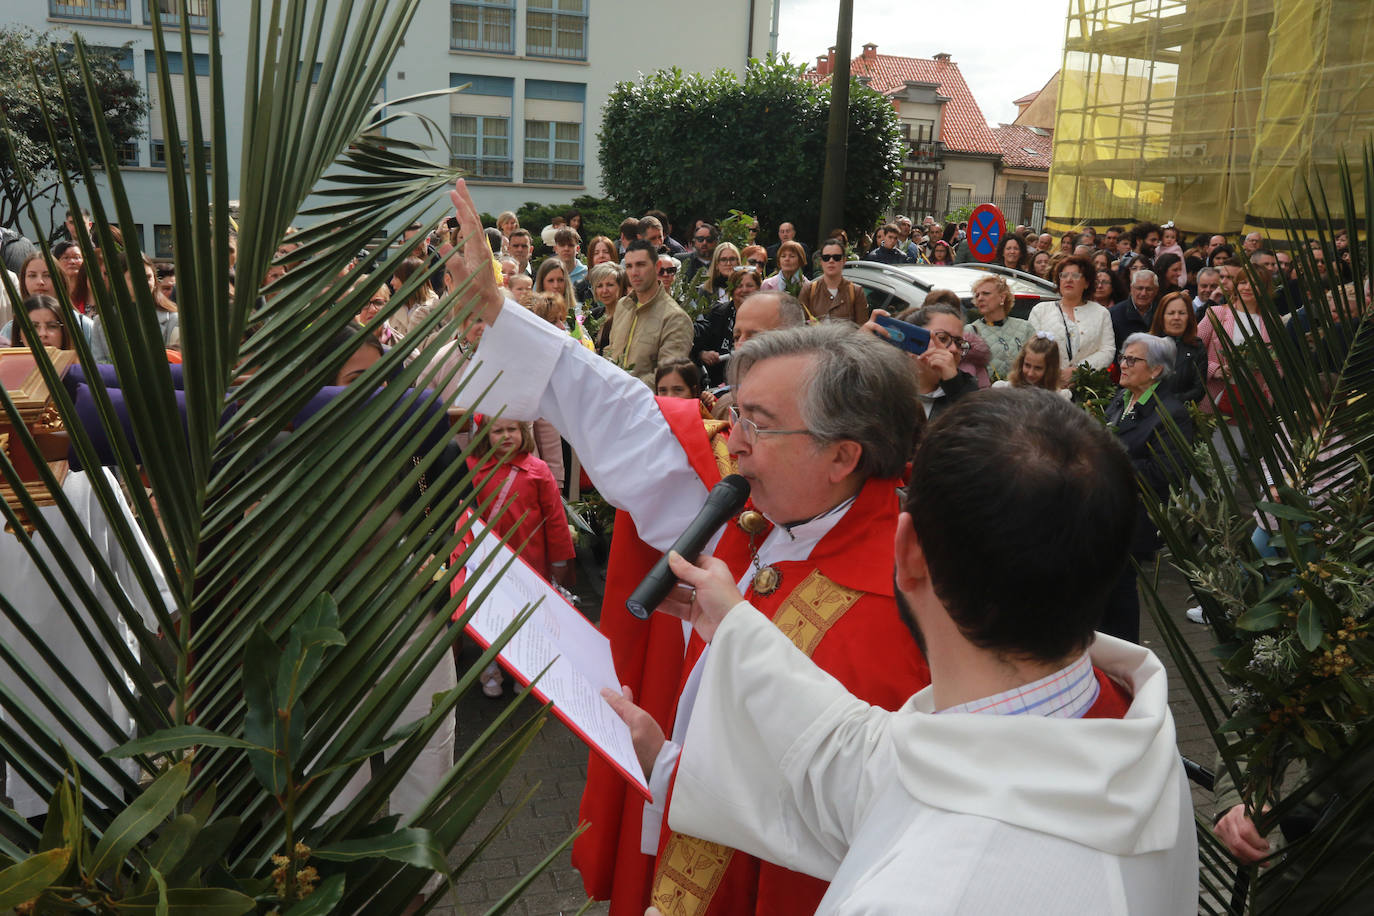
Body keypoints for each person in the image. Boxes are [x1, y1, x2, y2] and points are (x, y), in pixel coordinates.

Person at [442, 175, 929, 916]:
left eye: (759, 423)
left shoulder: (908, 598)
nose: (731, 439)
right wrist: (500, 310)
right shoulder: (762, 492)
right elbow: (622, 412)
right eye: (737, 412)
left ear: (844, 456)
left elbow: (849, 805)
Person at [644, 388, 1199, 915]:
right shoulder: (1125, 733)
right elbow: (863, 757)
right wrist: (736, 626)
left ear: (906, 549)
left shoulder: (921, 896)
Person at [1101, 333, 1194, 643]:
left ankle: (1125, 665)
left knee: (1119, 598)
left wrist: (1106, 463)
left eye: (1131, 360)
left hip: (1133, 520)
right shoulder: (1122, 398)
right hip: (1104, 513)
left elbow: (1166, 473)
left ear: (1155, 371)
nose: (1122, 365)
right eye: (1122, 358)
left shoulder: (1171, 413)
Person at [603, 239, 694, 387]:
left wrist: (624, 389)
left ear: (657, 267)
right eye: (629, 266)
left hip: (646, 404)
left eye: (641, 265)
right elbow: (611, 350)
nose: (634, 272)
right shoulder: (622, 305)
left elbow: (667, 377)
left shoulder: (676, 318)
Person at [1028, 255, 1115, 386]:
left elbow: (1107, 349)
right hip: (1046, 386)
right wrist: (1053, 373)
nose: (1068, 280)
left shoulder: (1101, 313)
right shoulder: (1040, 310)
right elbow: (1031, 348)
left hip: (1086, 389)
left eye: (1075, 276)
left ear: (1086, 283)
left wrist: (1077, 371)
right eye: (1063, 275)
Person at [693, 266, 759, 388]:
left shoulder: (767, 316)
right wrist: (703, 354)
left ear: (758, 289)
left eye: (750, 286)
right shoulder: (718, 313)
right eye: (739, 286)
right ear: (732, 289)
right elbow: (698, 344)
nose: (744, 290)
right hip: (719, 381)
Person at [967, 275, 1032, 379]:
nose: (980, 298)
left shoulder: (1025, 327)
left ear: (1002, 297)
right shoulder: (970, 331)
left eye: (986, 294)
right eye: (977, 295)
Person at [1149, 291, 1205, 403]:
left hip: (1181, 413)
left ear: (1189, 316)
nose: (1176, 317)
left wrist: (1171, 402)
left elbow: (1199, 390)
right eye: (1171, 313)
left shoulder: (1197, 346)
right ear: (1161, 317)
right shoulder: (1146, 344)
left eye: (1182, 313)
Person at [799, 238, 868, 323]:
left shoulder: (856, 292)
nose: (831, 261)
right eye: (826, 258)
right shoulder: (808, 290)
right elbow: (800, 328)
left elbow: (862, 330)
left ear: (844, 260)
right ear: (821, 261)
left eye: (836, 257)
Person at [992, 332, 1071, 398]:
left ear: (1049, 369)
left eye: (1038, 368)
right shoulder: (1003, 390)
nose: (1030, 373)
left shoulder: (1059, 398)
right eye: (1027, 365)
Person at [1110, 268, 1160, 351]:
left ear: (1156, 290)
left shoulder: (1162, 312)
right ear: (1131, 288)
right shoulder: (1114, 314)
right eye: (1139, 288)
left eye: (1149, 289)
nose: (1143, 293)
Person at [587, 261, 627, 352]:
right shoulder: (592, 315)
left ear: (621, 287)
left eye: (610, 285)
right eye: (599, 286)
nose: (604, 290)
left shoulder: (627, 317)